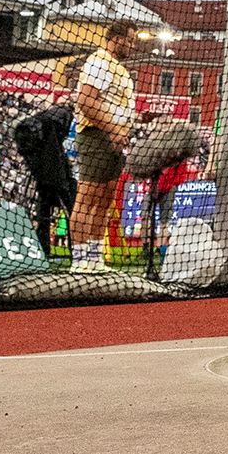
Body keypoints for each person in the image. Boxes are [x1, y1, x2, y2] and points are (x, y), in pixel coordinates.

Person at [68, 21, 139, 273]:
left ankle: (95, 258)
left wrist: (136, 121)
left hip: (116, 139)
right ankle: (79, 261)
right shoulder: (99, 62)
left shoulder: (119, 69)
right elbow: (87, 101)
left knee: (105, 200)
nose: (132, 45)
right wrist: (113, 129)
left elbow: (115, 107)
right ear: (116, 38)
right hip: (97, 135)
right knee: (87, 199)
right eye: (129, 40)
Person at [11, 100, 77, 256]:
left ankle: (45, 248)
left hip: (44, 169)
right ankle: (73, 247)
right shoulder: (61, 119)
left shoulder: (39, 123)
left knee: (45, 211)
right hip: (54, 169)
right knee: (68, 206)